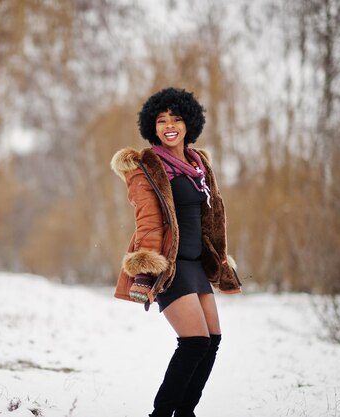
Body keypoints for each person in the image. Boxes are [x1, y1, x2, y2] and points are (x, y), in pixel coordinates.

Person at [110, 87, 242, 417]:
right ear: (152, 127)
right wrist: (145, 270)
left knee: (211, 341)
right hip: (172, 266)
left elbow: (212, 217)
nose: (170, 125)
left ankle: (184, 412)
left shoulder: (198, 166)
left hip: (196, 264)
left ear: (189, 124)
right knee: (194, 342)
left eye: (177, 118)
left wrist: (219, 257)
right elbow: (149, 221)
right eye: (162, 120)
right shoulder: (147, 168)